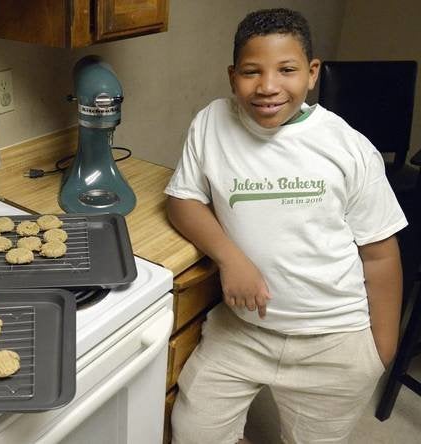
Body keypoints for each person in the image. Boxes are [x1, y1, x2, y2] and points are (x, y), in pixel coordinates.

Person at [165, 8, 407, 444]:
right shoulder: (210, 123)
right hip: (241, 332)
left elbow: (380, 253)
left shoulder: (349, 148)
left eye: (287, 70)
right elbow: (182, 199)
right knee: (194, 432)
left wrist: (379, 351)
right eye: (251, 72)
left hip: (333, 338)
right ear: (231, 75)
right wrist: (231, 258)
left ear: (312, 73)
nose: (268, 86)